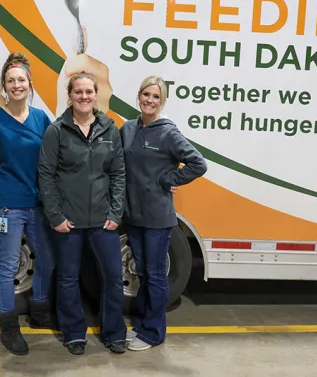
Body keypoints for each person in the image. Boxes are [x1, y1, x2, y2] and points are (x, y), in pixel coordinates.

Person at [38, 72, 127, 356]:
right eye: (79, 92)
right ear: (70, 95)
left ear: (96, 94)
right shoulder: (57, 131)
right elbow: (46, 175)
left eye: (89, 91)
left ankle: (114, 333)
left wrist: (116, 212)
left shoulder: (109, 129)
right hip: (69, 221)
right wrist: (56, 216)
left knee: (113, 278)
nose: (84, 96)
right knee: (67, 279)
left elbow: (118, 174)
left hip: (104, 220)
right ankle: (74, 333)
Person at [120, 75, 207, 351]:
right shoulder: (128, 128)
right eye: (146, 94)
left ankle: (153, 332)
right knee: (143, 273)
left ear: (163, 101)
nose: (150, 100)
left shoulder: (168, 132)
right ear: (138, 95)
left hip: (157, 217)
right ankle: (143, 324)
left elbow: (198, 163)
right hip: (132, 214)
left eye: (156, 96)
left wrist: (170, 178)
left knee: (155, 275)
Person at [0, 52, 55, 355]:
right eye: (11, 81)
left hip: (38, 204)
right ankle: (9, 326)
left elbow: (51, 162)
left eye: (21, 79)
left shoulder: (40, 119)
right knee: (8, 266)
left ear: (29, 83)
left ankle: (38, 310)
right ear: (4, 86)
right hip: (8, 206)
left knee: (47, 259)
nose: (16, 85)